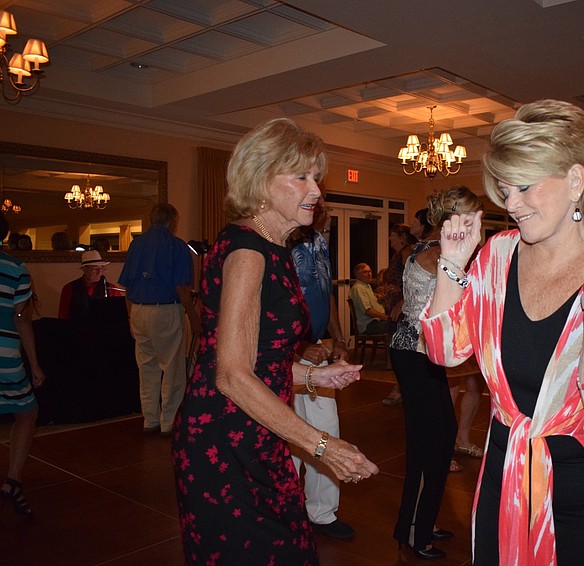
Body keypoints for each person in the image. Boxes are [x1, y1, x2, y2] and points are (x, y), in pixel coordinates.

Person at [421, 100, 584, 564]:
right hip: (507, 473)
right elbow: (446, 352)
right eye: (504, 189)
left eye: (524, 186)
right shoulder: (497, 254)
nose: (511, 204)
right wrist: (451, 263)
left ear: (575, 181)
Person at [171, 118, 378, 565]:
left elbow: (257, 358)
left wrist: (314, 377)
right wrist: (322, 445)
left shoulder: (272, 248)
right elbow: (230, 375)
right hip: (226, 440)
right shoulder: (249, 253)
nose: (316, 190)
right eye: (301, 177)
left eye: (316, 177)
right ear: (261, 182)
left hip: (255, 431)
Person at [390, 186, 483, 559]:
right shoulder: (436, 254)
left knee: (443, 440)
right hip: (414, 355)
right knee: (428, 446)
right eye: (470, 218)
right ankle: (414, 532)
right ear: (453, 220)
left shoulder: (430, 249)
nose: (475, 226)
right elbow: (466, 297)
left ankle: (423, 523)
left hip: (424, 354)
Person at [288, 195, 355, 539]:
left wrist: (338, 337)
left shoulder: (318, 241)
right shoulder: (281, 241)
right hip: (285, 353)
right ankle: (286, 510)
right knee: (288, 435)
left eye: (323, 201)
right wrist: (299, 346)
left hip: (316, 351)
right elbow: (273, 304)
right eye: (317, 201)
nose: (322, 206)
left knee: (326, 428)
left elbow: (324, 293)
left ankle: (321, 513)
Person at [118, 203, 201, 436]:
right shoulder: (176, 246)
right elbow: (182, 288)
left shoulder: (136, 244)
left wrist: (130, 316)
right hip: (165, 310)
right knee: (172, 368)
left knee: (147, 368)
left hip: (138, 309)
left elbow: (127, 286)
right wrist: (194, 318)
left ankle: (150, 419)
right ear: (172, 221)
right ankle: (169, 422)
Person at [0, 212, 47, 516]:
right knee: (27, 412)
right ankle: (12, 481)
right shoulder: (16, 268)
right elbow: (21, 318)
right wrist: (35, 364)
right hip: (4, 354)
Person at [381, 223, 417, 405]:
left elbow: (412, 281)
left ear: (402, 237)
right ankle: (402, 387)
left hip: (401, 310)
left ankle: (402, 388)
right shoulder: (398, 254)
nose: (389, 238)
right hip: (394, 307)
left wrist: (400, 303)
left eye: (392, 235)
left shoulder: (407, 252)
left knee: (401, 350)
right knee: (396, 349)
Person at [58, 250, 124, 320]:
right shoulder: (69, 288)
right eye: (95, 269)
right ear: (84, 269)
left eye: (101, 268)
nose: (99, 273)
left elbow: (119, 317)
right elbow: (63, 317)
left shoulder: (111, 289)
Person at [349, 262, 388, 335]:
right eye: (365, 272)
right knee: (398, 326)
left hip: (376, 321)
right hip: (369, 325)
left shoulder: (367, 286)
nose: (369, 274)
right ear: (358, 275)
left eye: (370, 271)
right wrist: (386, 317)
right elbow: (368, 311)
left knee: (399, 323)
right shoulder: (358, 288)